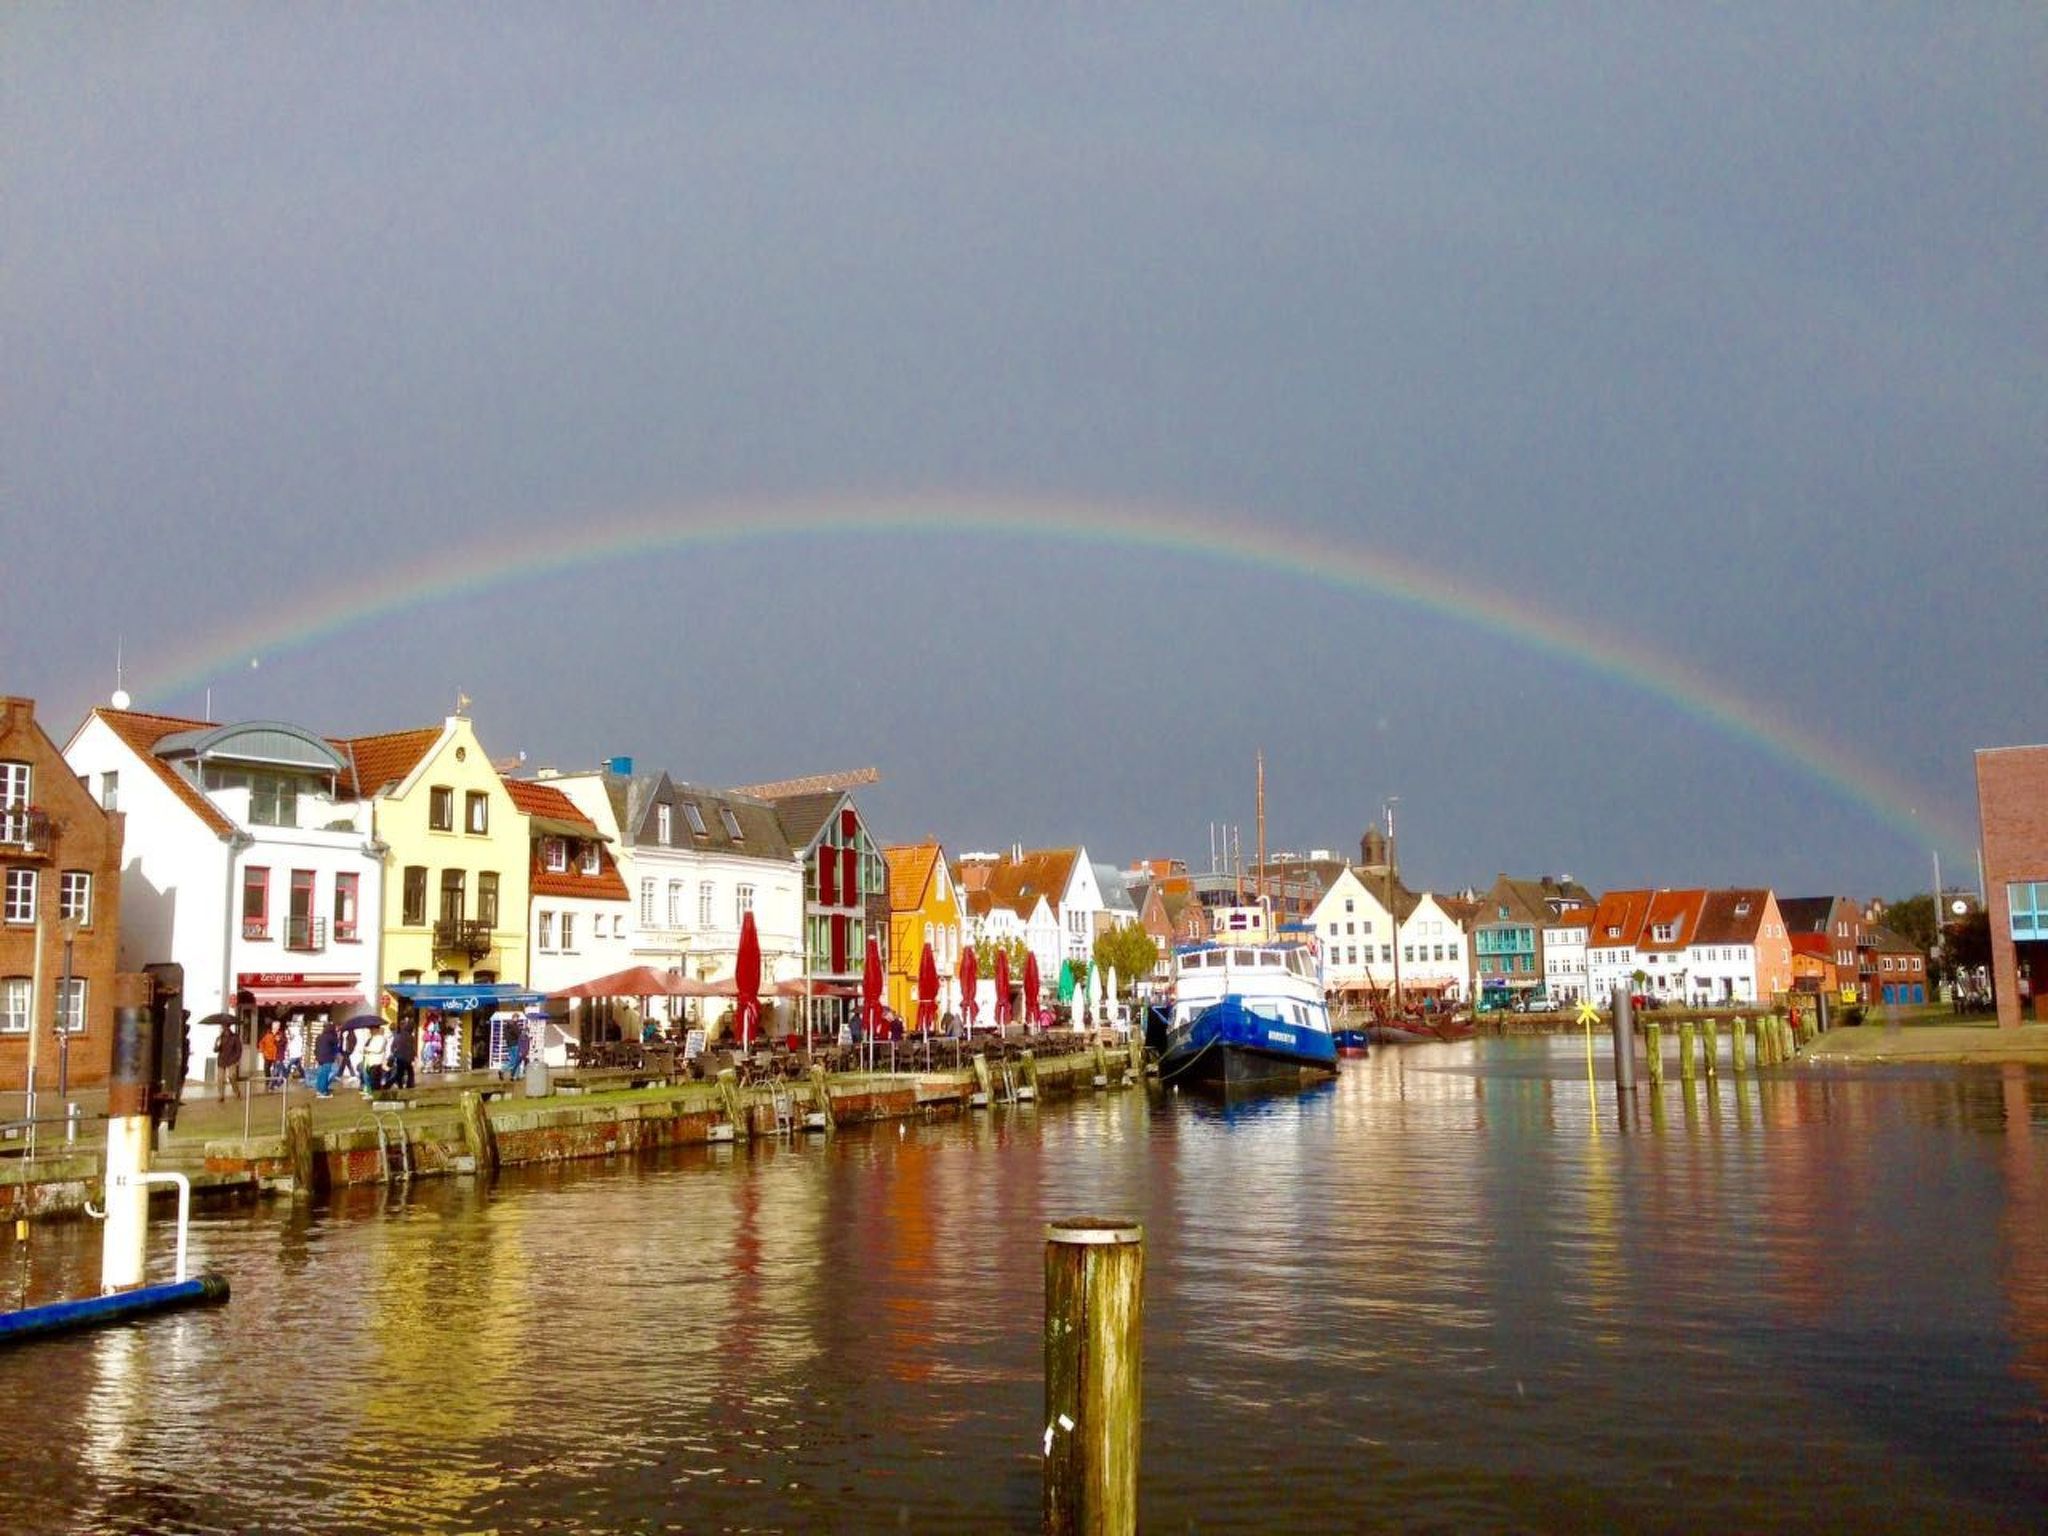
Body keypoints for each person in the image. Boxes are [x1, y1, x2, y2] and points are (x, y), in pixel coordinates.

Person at [215, 1020, 244, 1102]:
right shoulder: (219, 1037)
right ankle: (221, 1096)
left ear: (227, 1028)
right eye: (221, 1027)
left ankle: (237, 1092)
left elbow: (239, 1050)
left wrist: (236, 1059)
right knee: (220, 1078)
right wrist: (217, 1044)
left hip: (231, 1060)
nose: (221, 1029)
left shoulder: (234, 1037)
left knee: (231, 1077)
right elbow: (215, 1049)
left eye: (222, 1027)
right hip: (221, 1060)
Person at [360, 1022, 390, 1097]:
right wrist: (365, 1049)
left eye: (372, 1029)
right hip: (370, 1061)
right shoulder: (373, 1038)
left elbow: (378, 1049)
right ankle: (373, 1094)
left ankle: (376, 1095)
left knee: (375, 1080)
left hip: (377, 1062)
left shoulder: (381, 1038)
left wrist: (368, 1049)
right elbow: (369, 1047)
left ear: (376, 1029)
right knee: (371, 1079)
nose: (370, 1031)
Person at [312, 1019, 340, 1098]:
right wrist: (336, 1034)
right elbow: (336, 1042)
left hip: (319, 1058)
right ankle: (323, 1091)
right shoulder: (330, 1037)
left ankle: (319, 1090)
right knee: (325, 1074)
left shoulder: (319, 1036)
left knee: (320, 1075)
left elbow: (316, 1048)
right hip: (327, 1058)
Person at [388, 1018, 417, 1091]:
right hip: (406, 1058)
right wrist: (413, 1056)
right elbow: (412, 1048)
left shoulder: (399, 1035)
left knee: (401, 1072)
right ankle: (408, 1084)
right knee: (406, 1072)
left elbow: (393, 1046)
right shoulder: (411, 1037)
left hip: (400, 1057)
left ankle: (401, 1085)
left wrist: (394, 1053)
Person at [258, 1020, 284, 1091]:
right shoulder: (267, 1034)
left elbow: (284, 1042)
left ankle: (273, 1083)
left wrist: (280, 1041)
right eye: (276, 1026)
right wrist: (262, 1050)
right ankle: (268, 1081)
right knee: (266, 1068)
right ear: (273, 1026)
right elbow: (261, 1043)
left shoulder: (280, 1034)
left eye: (278, 1026)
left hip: (276, 1055)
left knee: (275, 1070)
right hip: (268, 1055)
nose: (278, 1028)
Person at [500, 1015, 527, 1082]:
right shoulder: (514, 1025)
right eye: (517, 1018)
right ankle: (504, 1071)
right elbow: (518, 1034)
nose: (517, 1019)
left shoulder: (506, 1026)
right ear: (514, 1018)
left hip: (509, 1045)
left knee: (513, 1060)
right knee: (516, 1061)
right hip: (515, 1044)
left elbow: (505, 1036)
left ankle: (515, 1076)